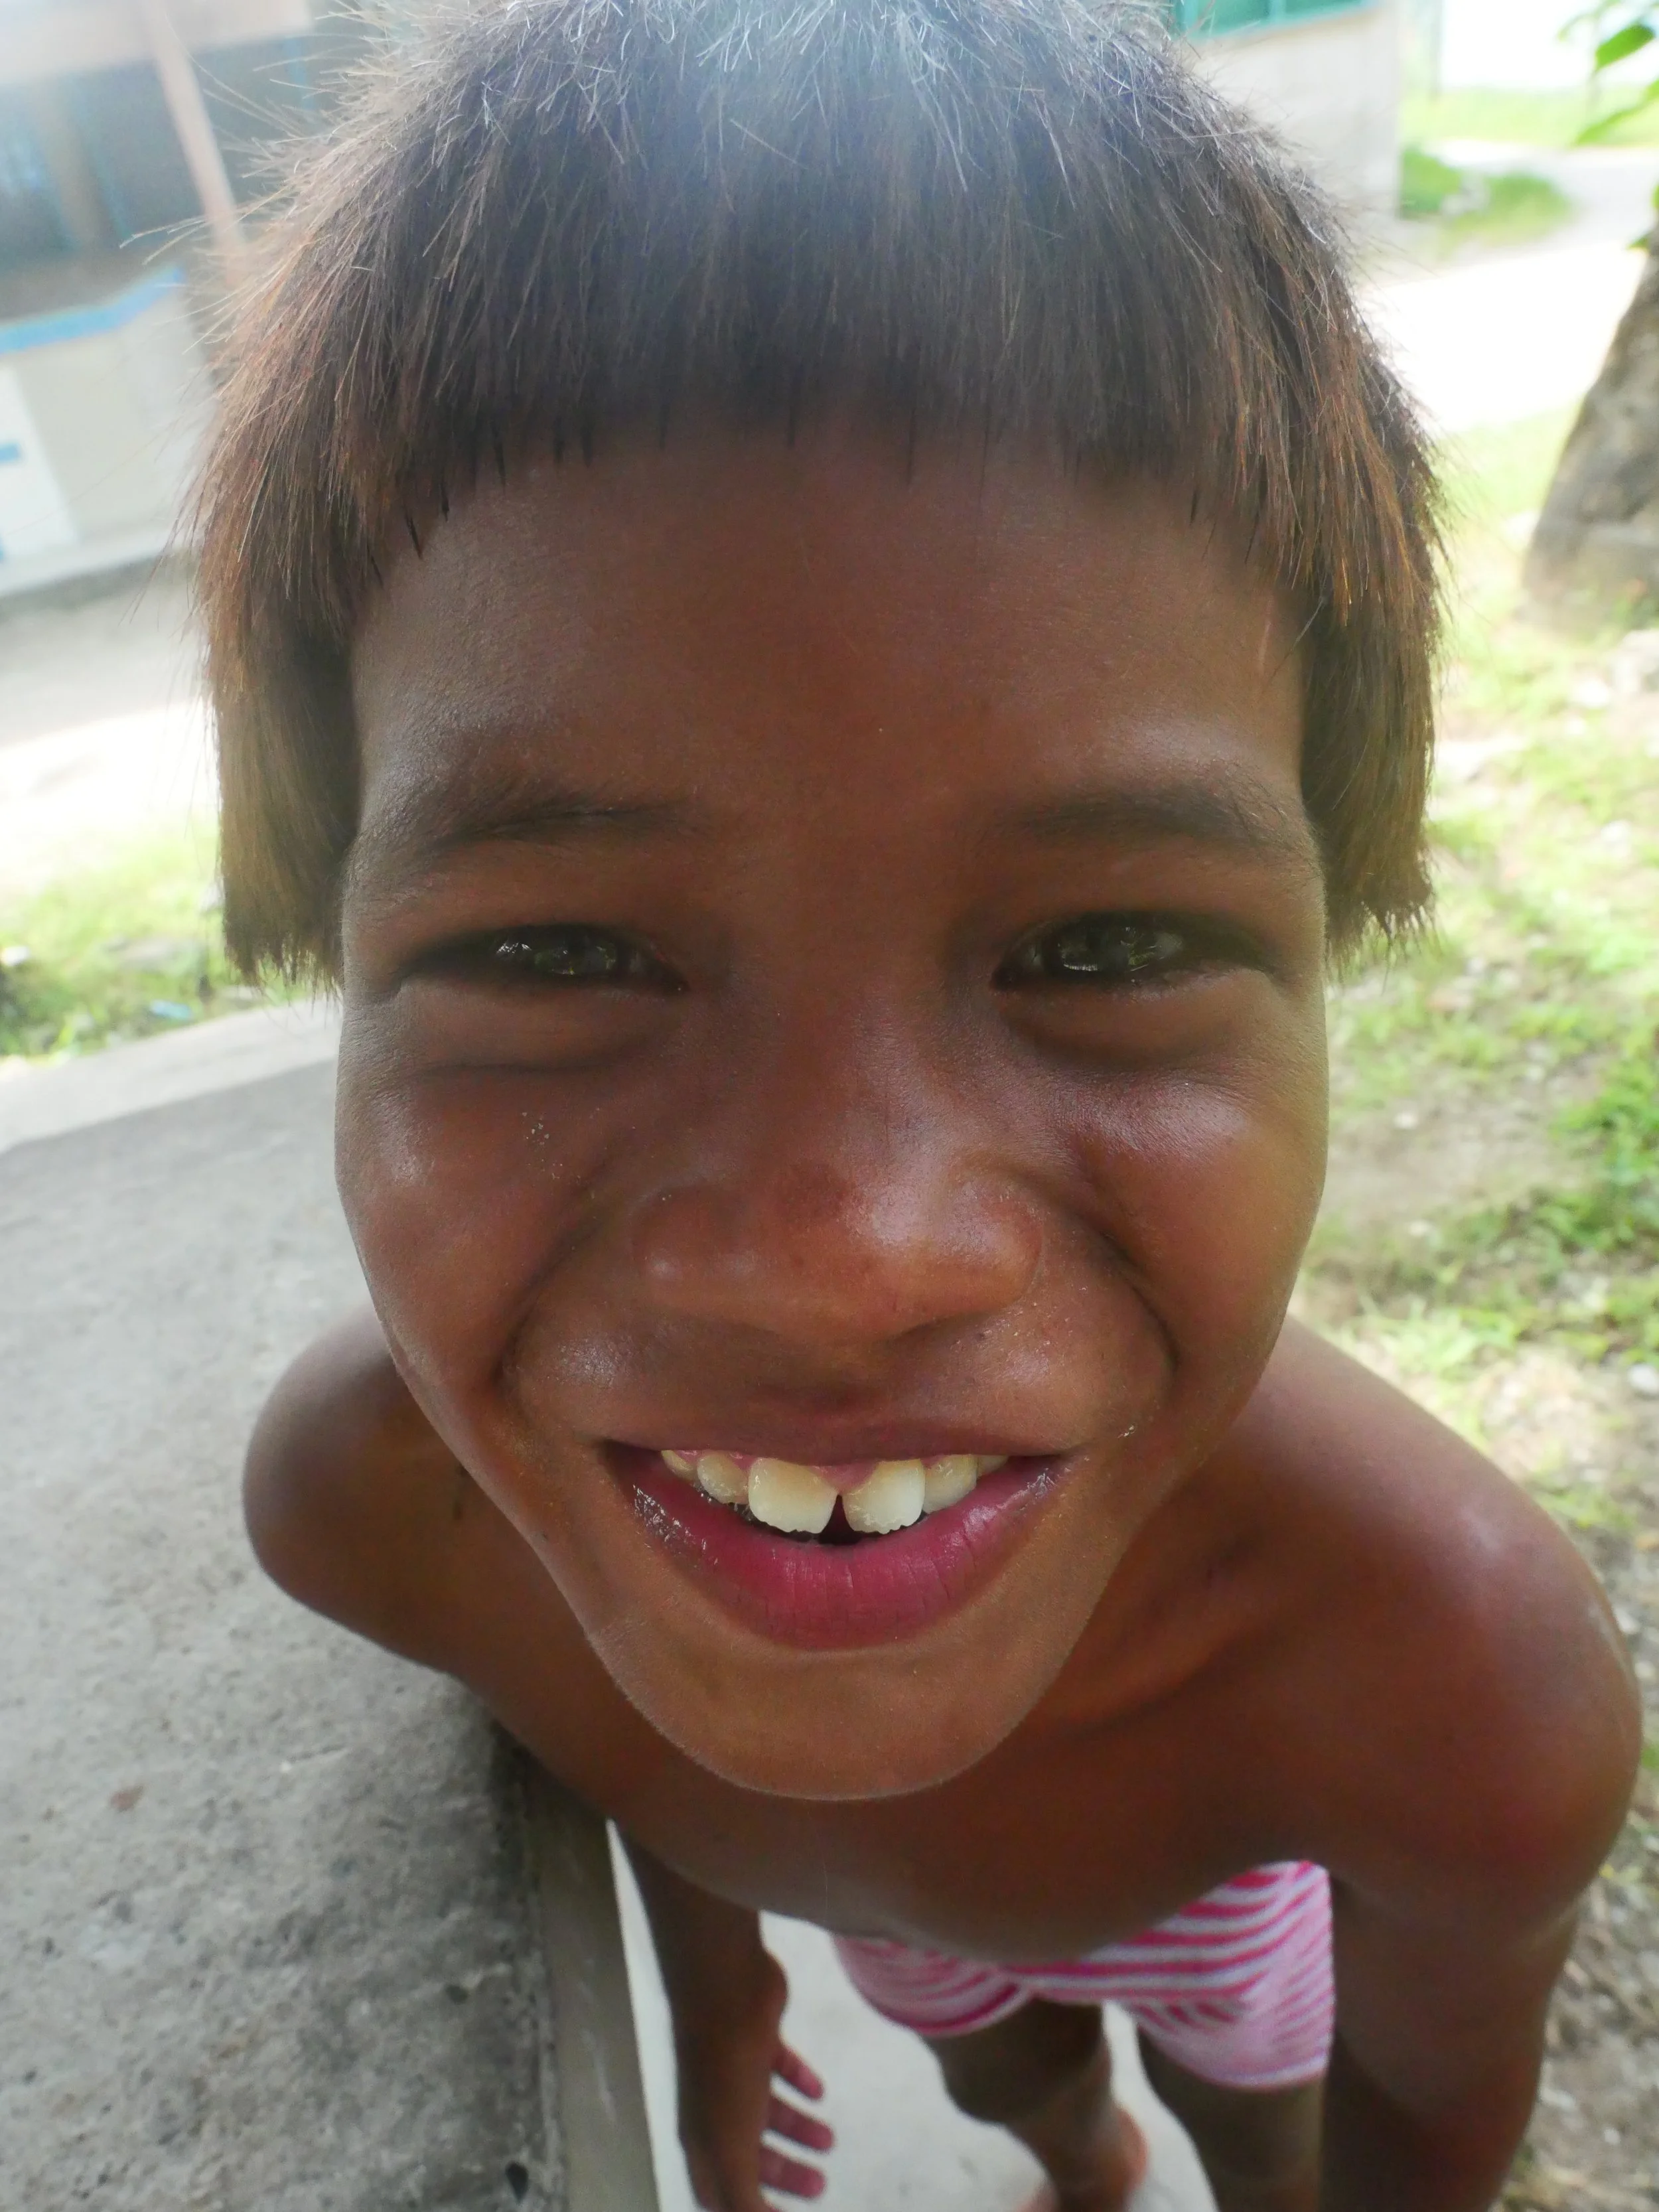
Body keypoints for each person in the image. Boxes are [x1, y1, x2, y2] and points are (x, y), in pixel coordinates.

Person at [198, 3, 1642, 2206]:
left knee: (1270, 2124)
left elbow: (1428, 2124)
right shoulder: (380, 1519)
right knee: (1015, 2098)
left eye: (1105, 950)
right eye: (559, 954)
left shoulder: (1448, 1680)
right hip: (904, 1957)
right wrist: (727, 1999)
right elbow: (604, 1737)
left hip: (1214, 1917)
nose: (845, 1255)